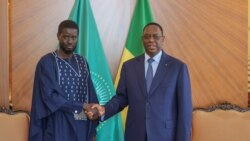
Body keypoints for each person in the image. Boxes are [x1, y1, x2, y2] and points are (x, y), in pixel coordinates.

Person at [86, 22, 192, 141]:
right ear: (142, 39)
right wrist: (104, 109)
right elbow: (121, 98)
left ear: (163, 39)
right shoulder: (129, 67)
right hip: (135, 134)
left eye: (155, 36)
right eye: (147, 36)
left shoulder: (177, 68)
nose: (151, 40)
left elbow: (185, 110)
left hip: (165, 135)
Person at [29, 20, 99, 141]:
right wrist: (82, 105)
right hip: (59, 122)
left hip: (81, 119)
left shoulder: (82, 61)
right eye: (66, 37)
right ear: (58, 36)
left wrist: (94, 110)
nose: (70, 41)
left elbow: (90, 91)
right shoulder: (47, 62)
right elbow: (50, 97)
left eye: (73, 37)